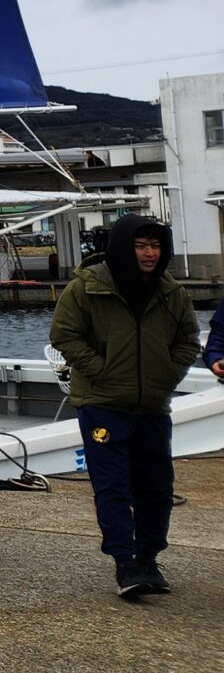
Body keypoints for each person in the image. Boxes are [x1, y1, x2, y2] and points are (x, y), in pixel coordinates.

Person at [49, 214, 202, 600]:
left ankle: (149, 559)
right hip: (102, 404)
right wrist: (99, 370)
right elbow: (64, 335)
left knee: (157, 486)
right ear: (122, 247)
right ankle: (125, 563)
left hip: (152, 404)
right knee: (113, 485)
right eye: (140, 245)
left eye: (156, 245)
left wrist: (167, 376)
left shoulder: (171, 293)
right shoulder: (87, 288)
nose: (150, 253)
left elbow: (188, 339)